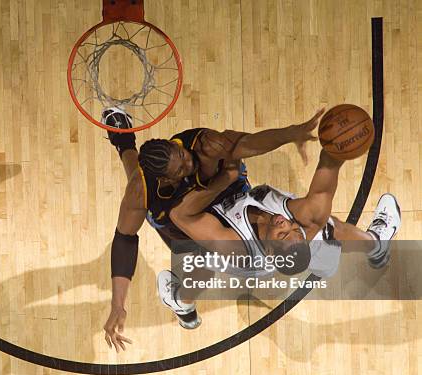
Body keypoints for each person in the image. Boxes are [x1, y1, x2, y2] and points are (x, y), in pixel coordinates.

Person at [101, 106, 325, 352]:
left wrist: (289, 133)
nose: (188, 163)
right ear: (167, 179)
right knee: (140, 182)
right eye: (181, 169)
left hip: (226, 203)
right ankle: (123, 141)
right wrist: (118, 303)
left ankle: (180, 301)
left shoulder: (204, 146)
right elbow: (126, 238)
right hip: (181, 222)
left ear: (176, 144)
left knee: (212, 261)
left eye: (183, 154)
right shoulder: (143, 189)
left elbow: (247, 143)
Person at [156, 149, 401, 328]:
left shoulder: (233, 244)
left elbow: (179, 215)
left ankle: (181, 303)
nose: (284, 222)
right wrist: (334, 151)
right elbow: (322, 189)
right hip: (287, 254)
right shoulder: (301, 226)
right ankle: (377, 245)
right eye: (293, 228)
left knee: (205, 263)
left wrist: (226, 177)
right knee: (327, 227)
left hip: (239, 255)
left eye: (282, 232)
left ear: (272, 249)